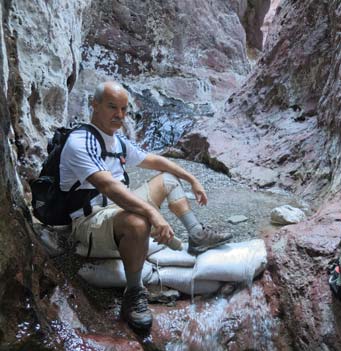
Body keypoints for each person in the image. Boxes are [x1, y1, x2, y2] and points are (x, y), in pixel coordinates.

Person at [60, 81, 231, 331]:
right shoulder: (80, 141)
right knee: (139, 221)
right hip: (89, 220)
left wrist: (191, 178)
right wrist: (152, 213)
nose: (119, 115)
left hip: (115, 210)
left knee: (168, 179)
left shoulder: (116, 141)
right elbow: (108, 187)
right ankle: (134, 293)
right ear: (94, 105)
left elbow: (154, 160)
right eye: (112, 107)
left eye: (124, 109)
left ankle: (196, 235)